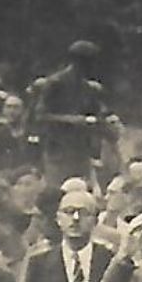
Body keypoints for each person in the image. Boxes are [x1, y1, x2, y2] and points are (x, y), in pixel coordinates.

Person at [30, 41, 117, 185]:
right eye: (90, 62)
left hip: (80, 151)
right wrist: (72, 120)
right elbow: (40, 116)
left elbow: (97, 114)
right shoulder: (55, 83)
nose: (93, 67)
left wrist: (104, 123)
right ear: (78, 62)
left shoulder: (88, 88)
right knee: (58, 190)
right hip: (57, 151)